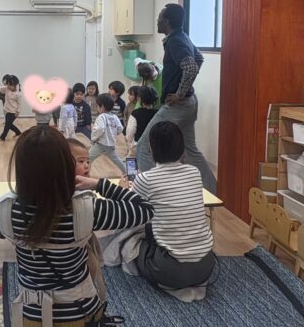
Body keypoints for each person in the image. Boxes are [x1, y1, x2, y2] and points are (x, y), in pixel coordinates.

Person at [0, 125, 154, 327]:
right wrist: (99, 184)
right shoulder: (86, 208)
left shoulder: (6, 209)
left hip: (33, 304)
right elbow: (145, 210)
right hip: (77, 304)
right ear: (65, 167)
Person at [136, 4, 217, 193]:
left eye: (159, 18)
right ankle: (214, 192)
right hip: (190, 103)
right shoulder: (182, 36)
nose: (157, 21)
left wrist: (180, 93)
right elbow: (199, 58)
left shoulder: (175, 41)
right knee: (191, 150)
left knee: (144, 145)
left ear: (166, 21)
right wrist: (184, 89)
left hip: (178, 106)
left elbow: (191, 66)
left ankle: (149, 193)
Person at [132, 121, 215, 300]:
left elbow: (132, 212)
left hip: (170, 270)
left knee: (133, 240)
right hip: (206, 266)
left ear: (152, 148)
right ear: (181, 147)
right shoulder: (194, 172)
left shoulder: (145, 179)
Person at [89, 94, 126, 174]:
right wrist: (113, 134)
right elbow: (120, 128)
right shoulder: (115, 117)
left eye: (97, 106)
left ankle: (85, 173)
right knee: (116, 159)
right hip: (111, 145)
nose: (96, 108)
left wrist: (94, 138)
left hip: (100, 144)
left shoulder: (101, 116)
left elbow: (100, 128)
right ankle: (126, 172)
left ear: (102, 106)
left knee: (89, 158)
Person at [125, 86, 158, 158]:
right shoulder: (158, 113)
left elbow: (130, 132)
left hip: (137, 146)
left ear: (139, 99)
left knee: (130, 162)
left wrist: (129, 143)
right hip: (153, 147)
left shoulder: (135, 113)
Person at [0, 75, 22, 141]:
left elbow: (19, 104)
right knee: (9, 124)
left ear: (15, 85)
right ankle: (18, 133)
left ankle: (2, 137)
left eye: (10, 85)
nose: (8, 86)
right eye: (7, 84)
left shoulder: (18, 94)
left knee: (7, 125)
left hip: (13, 112)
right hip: (6, 110)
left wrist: (18, 112)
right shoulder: (6, 89)